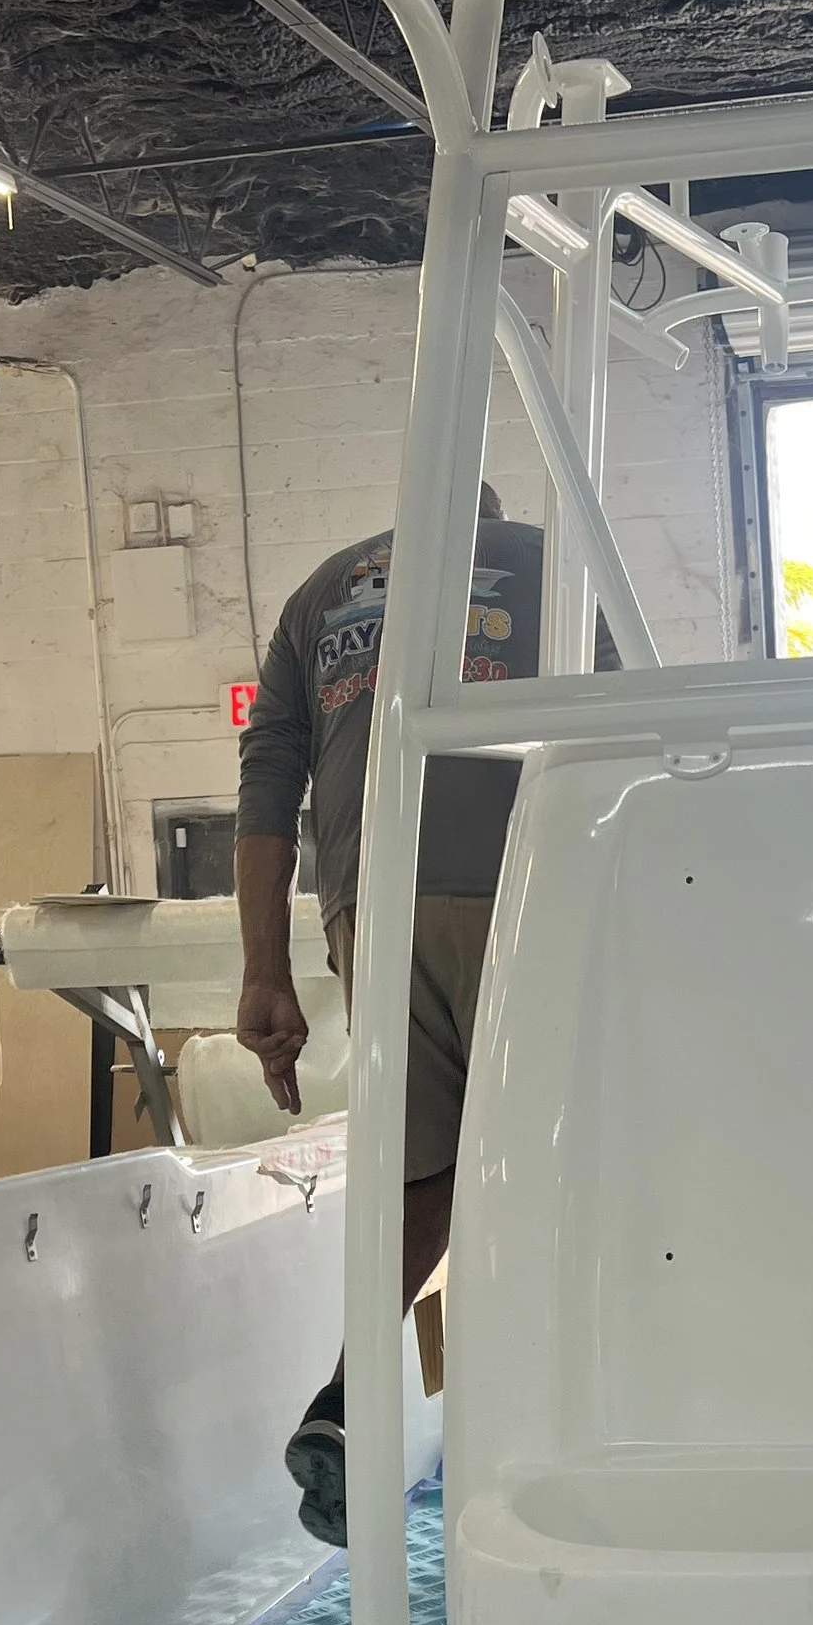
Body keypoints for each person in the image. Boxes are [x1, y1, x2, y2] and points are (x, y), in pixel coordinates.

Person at [236, 483, 597, 1543]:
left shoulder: (320, 594)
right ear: (494, 506)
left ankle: (353, 1394)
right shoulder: (557, 564)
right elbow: (638, 744)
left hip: (374, 904)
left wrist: (265, 971)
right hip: (526, 883)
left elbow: (267, 790)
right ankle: (536, 1426)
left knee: (420, 1167)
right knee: (542, 1157)